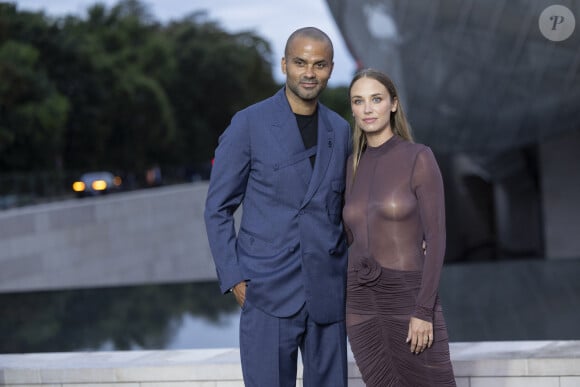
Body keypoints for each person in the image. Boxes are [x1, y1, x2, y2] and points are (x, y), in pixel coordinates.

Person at [204, 27, 351, 387]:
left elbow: (348, 208)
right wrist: (234, 278)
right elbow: (217, 208)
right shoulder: (248, 124)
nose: (309, 73)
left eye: (319, 64)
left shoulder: (341, 129)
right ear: (285, 64)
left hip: (326, 294)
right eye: (300, 62)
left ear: (330, 69)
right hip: (267, 290)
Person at [343, 68, 456, 386]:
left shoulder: (419, 157)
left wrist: (424, 310)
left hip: (409, 298)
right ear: (352, 108)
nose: (367, 108)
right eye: (358, 101)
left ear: (393, 104)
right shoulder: (348, 166)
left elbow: (436, 237)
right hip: (360, 303)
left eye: (376, 99)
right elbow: (346, 236)